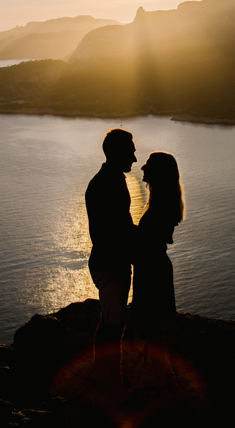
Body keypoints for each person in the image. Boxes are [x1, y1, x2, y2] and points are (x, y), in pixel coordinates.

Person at [85, 128, 137, 394]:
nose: (135, 159)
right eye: (130, 152)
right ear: (116, 152)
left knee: (109, 322)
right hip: (110, 263)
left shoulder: (112, 178)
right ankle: (115, 384)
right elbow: (112, 231)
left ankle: (99, 374)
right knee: (115, 325)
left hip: (109, 261)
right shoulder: (107, 183)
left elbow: (121, 225)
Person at [131, 151, 184, 390]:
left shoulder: (161, 206)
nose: (142, 168)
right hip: (154, 269)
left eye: (148, 165)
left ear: (159, 172)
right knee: (152, 329)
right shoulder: (163, 202)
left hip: (152, 272)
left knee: (151, 329)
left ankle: (162, 381)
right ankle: (164, 378)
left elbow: (149, 243)